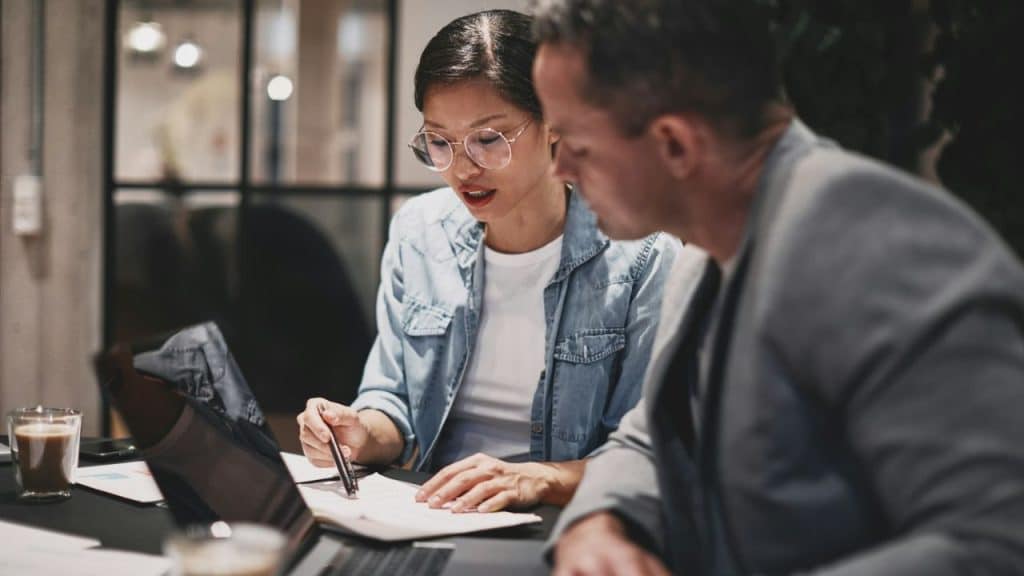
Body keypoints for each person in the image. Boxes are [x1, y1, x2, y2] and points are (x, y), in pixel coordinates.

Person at [530, 1, 1024, 574]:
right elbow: (649, 441)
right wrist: (598, 524)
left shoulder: (874, 243)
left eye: (577, 145)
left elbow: (996, 538)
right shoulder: (704, 254)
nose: (559, 167)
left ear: (675, 145)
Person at [296, 9, 685, 514]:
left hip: (568, 522)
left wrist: (536, 480)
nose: (461, 168)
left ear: (554, 123)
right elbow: (392, 401)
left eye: (488, 139)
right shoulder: (419, 233)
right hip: (429, 507)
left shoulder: (642, 254)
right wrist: (359, 433)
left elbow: (647, 455)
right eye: (439, 142)